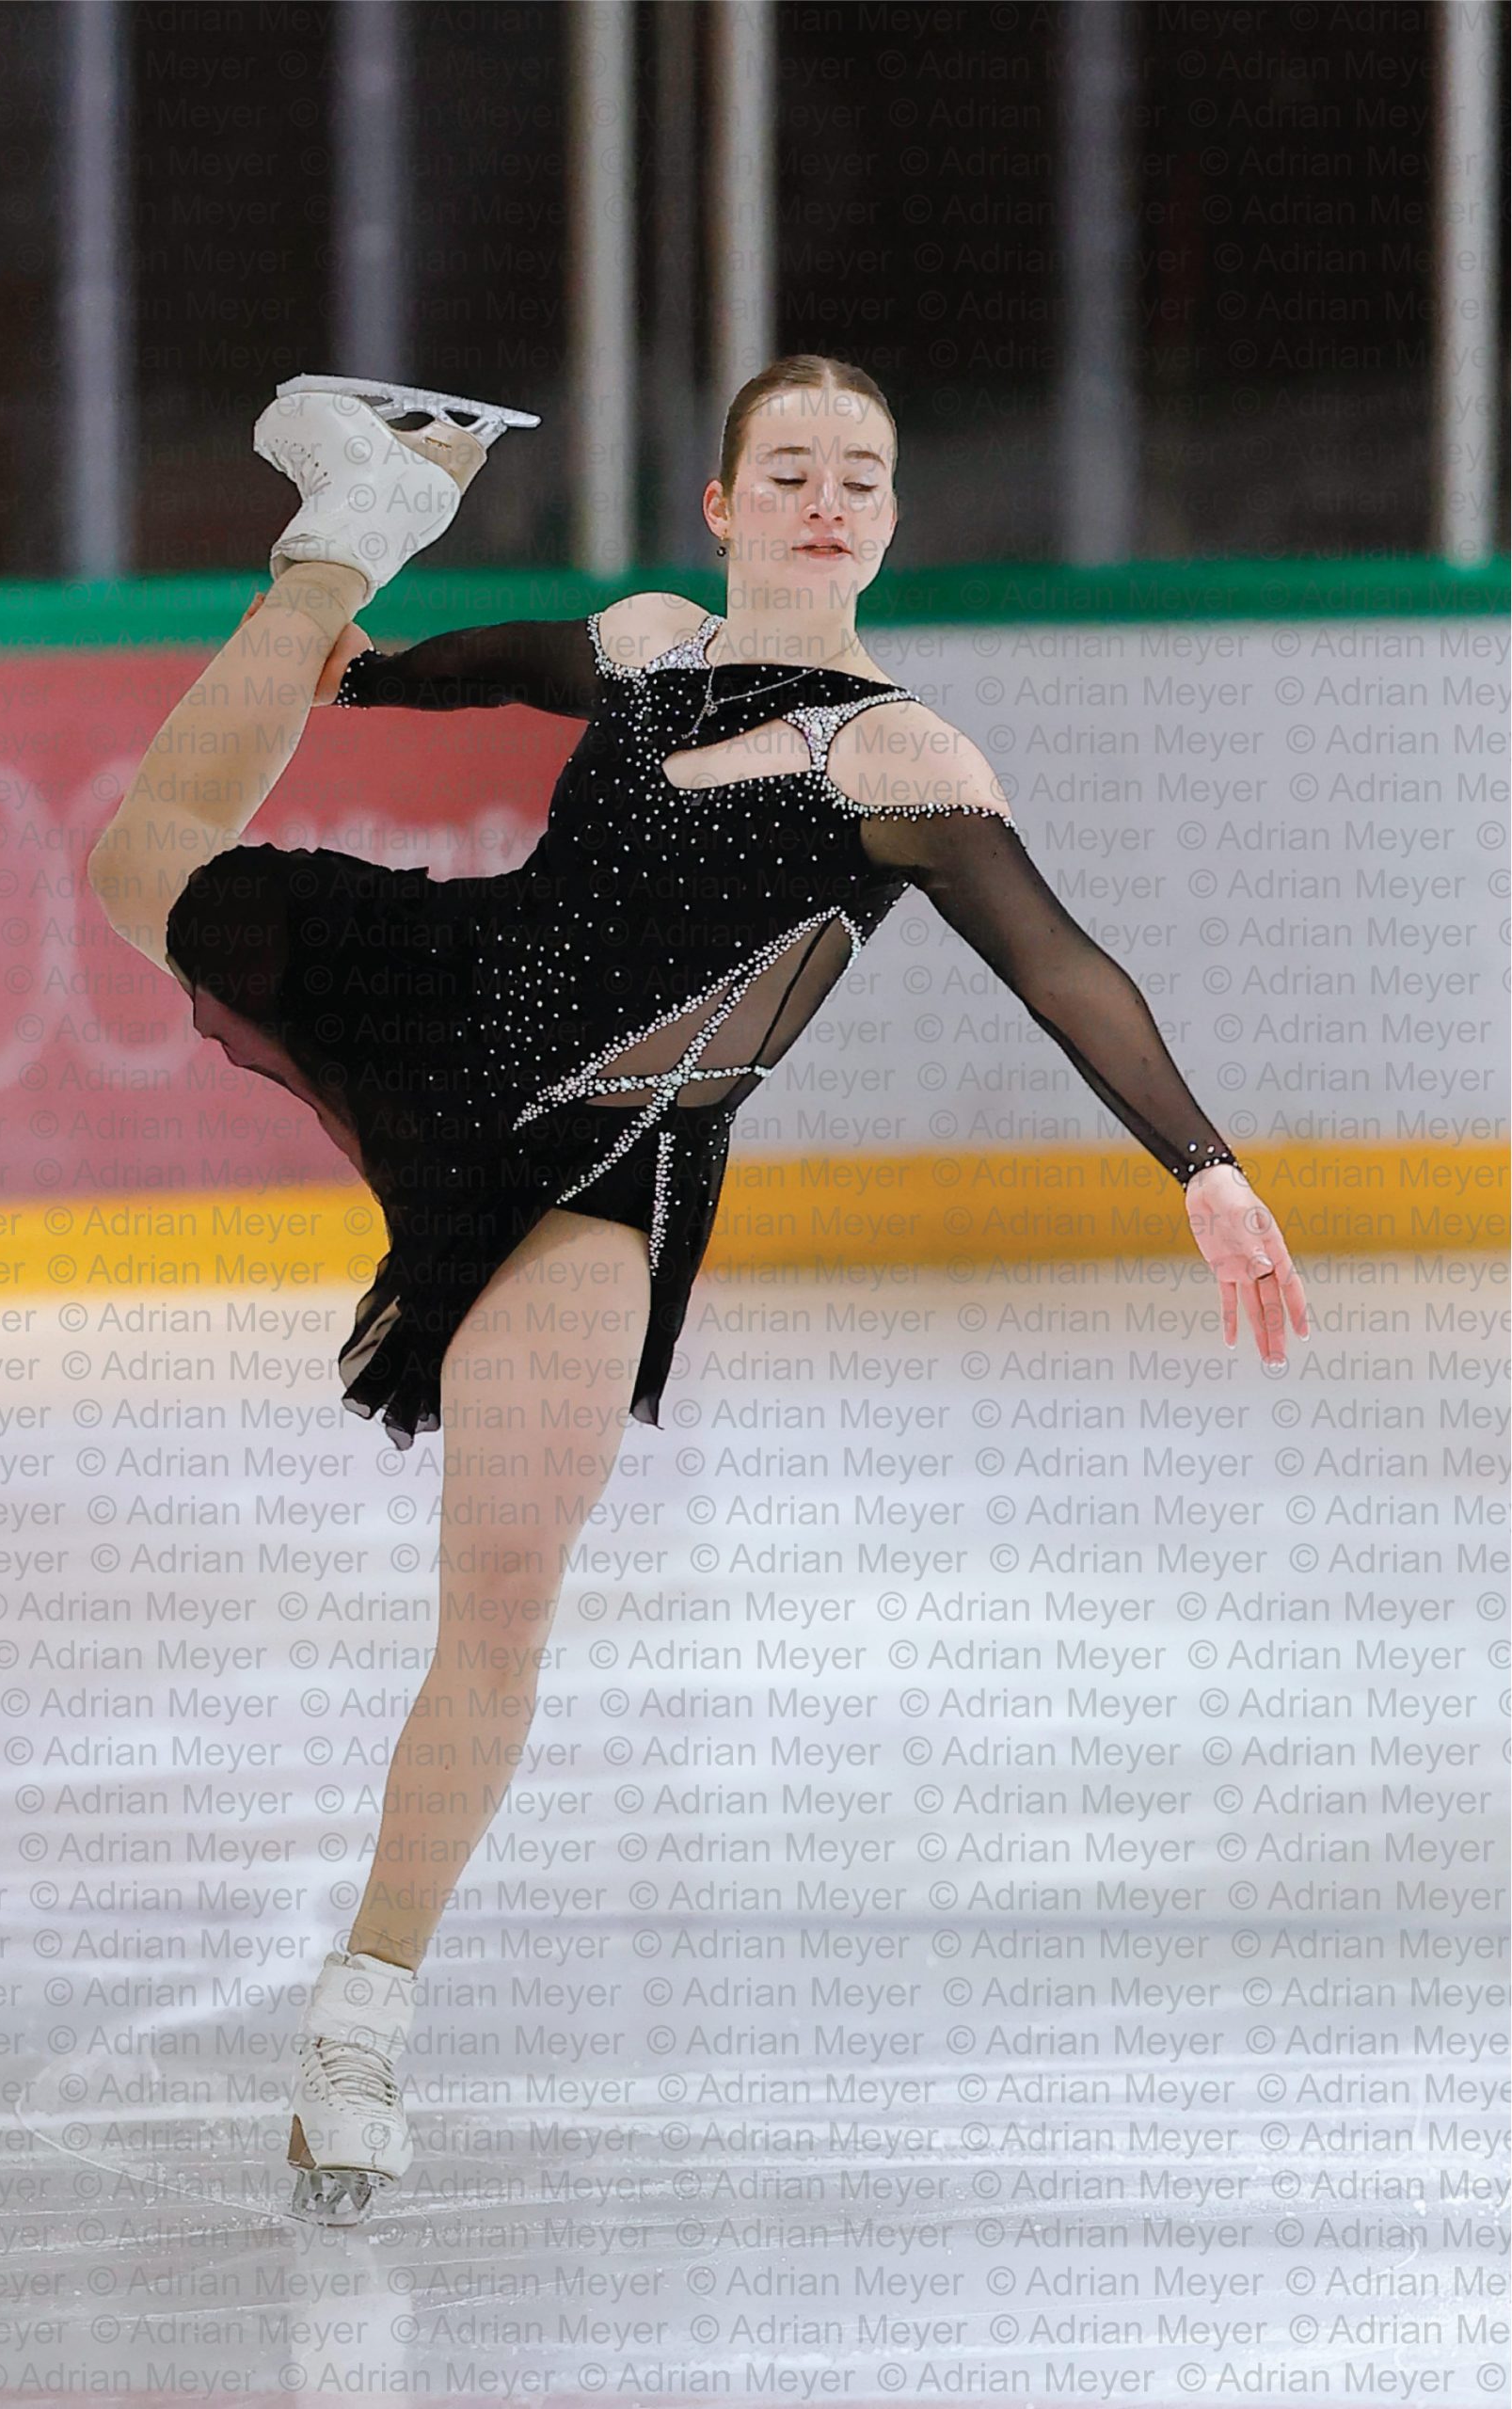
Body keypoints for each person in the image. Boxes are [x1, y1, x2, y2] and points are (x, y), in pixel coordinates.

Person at [88, 354, 1309, 2220]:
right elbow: (507, 667)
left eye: (859, 477)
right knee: (138, 859)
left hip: (610, 1160)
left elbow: (1063, 964)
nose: (826, 502)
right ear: (727, 503)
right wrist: (371, 660)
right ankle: (348, 527)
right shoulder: (649, 638)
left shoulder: (901, 759)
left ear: (889, 521)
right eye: (789, 470)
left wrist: (1200, 1163)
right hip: (450, 997)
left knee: (504, 1583)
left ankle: (360, 2026)